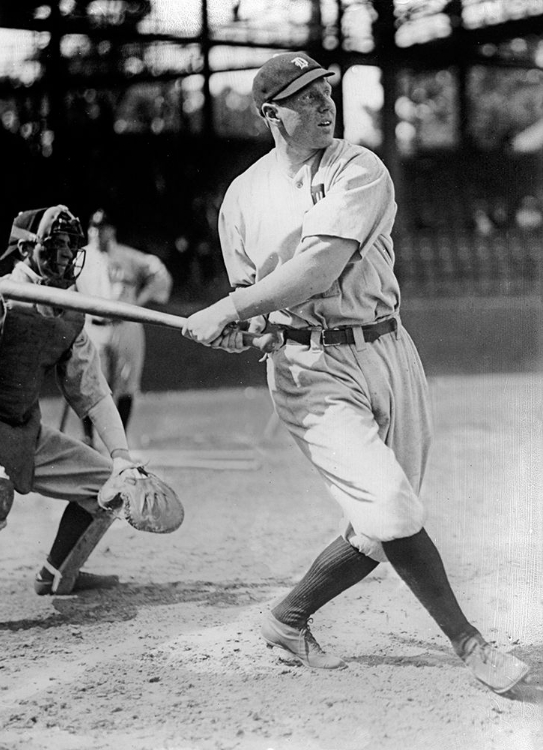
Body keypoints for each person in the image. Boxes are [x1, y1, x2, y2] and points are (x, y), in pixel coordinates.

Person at [181, 52, 531, 695]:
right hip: (308, 369)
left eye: (325, 94)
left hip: (389, 351)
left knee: (380, 524)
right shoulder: (242, 198)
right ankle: (470, 644)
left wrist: (232, 309)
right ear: (270, 115)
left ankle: (287, 618)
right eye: (305, 98)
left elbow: (316, 270)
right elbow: (251, 295)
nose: (323, 106)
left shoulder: (357, 167)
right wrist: (245, 327)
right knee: (392, 507)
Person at [0, 205, 139, 596]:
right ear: (24, 250)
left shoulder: (68, 315)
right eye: (56, 245)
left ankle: (57, 573)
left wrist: (120, 456)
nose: (66, 255)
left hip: (21, 430)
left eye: (71, 247)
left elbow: (94, 393)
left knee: (109, 487)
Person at [76, 209, 172, 446]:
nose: (99, 233)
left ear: (112, 230)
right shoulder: (80, 258)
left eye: (104, 227)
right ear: (90, 230)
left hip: (125, 325)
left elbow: (159, 273)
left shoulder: (126, 257)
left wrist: (140, 298)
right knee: (89, 383)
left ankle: (120, 440)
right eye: (95, 227)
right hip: (94, 325)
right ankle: (89, 438)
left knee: (127, 383)